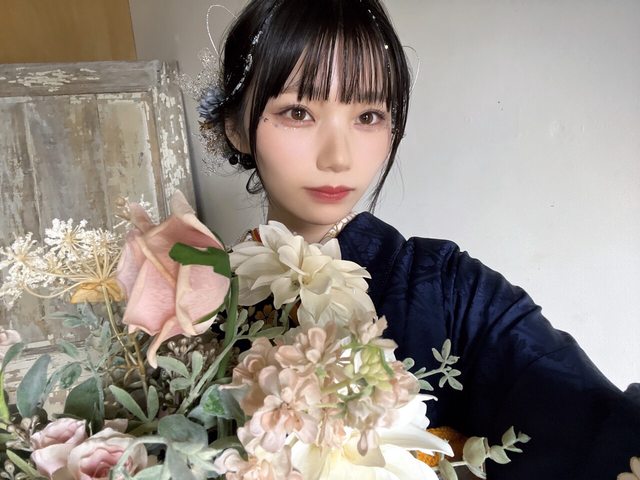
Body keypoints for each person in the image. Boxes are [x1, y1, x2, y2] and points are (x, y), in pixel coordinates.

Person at [196, 0, 640, 478]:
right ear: (235, 126)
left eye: (368, 116)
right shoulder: (189, 306)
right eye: (298, 112)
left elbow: (588, 420)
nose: (338, 157)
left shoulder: (448, 291)